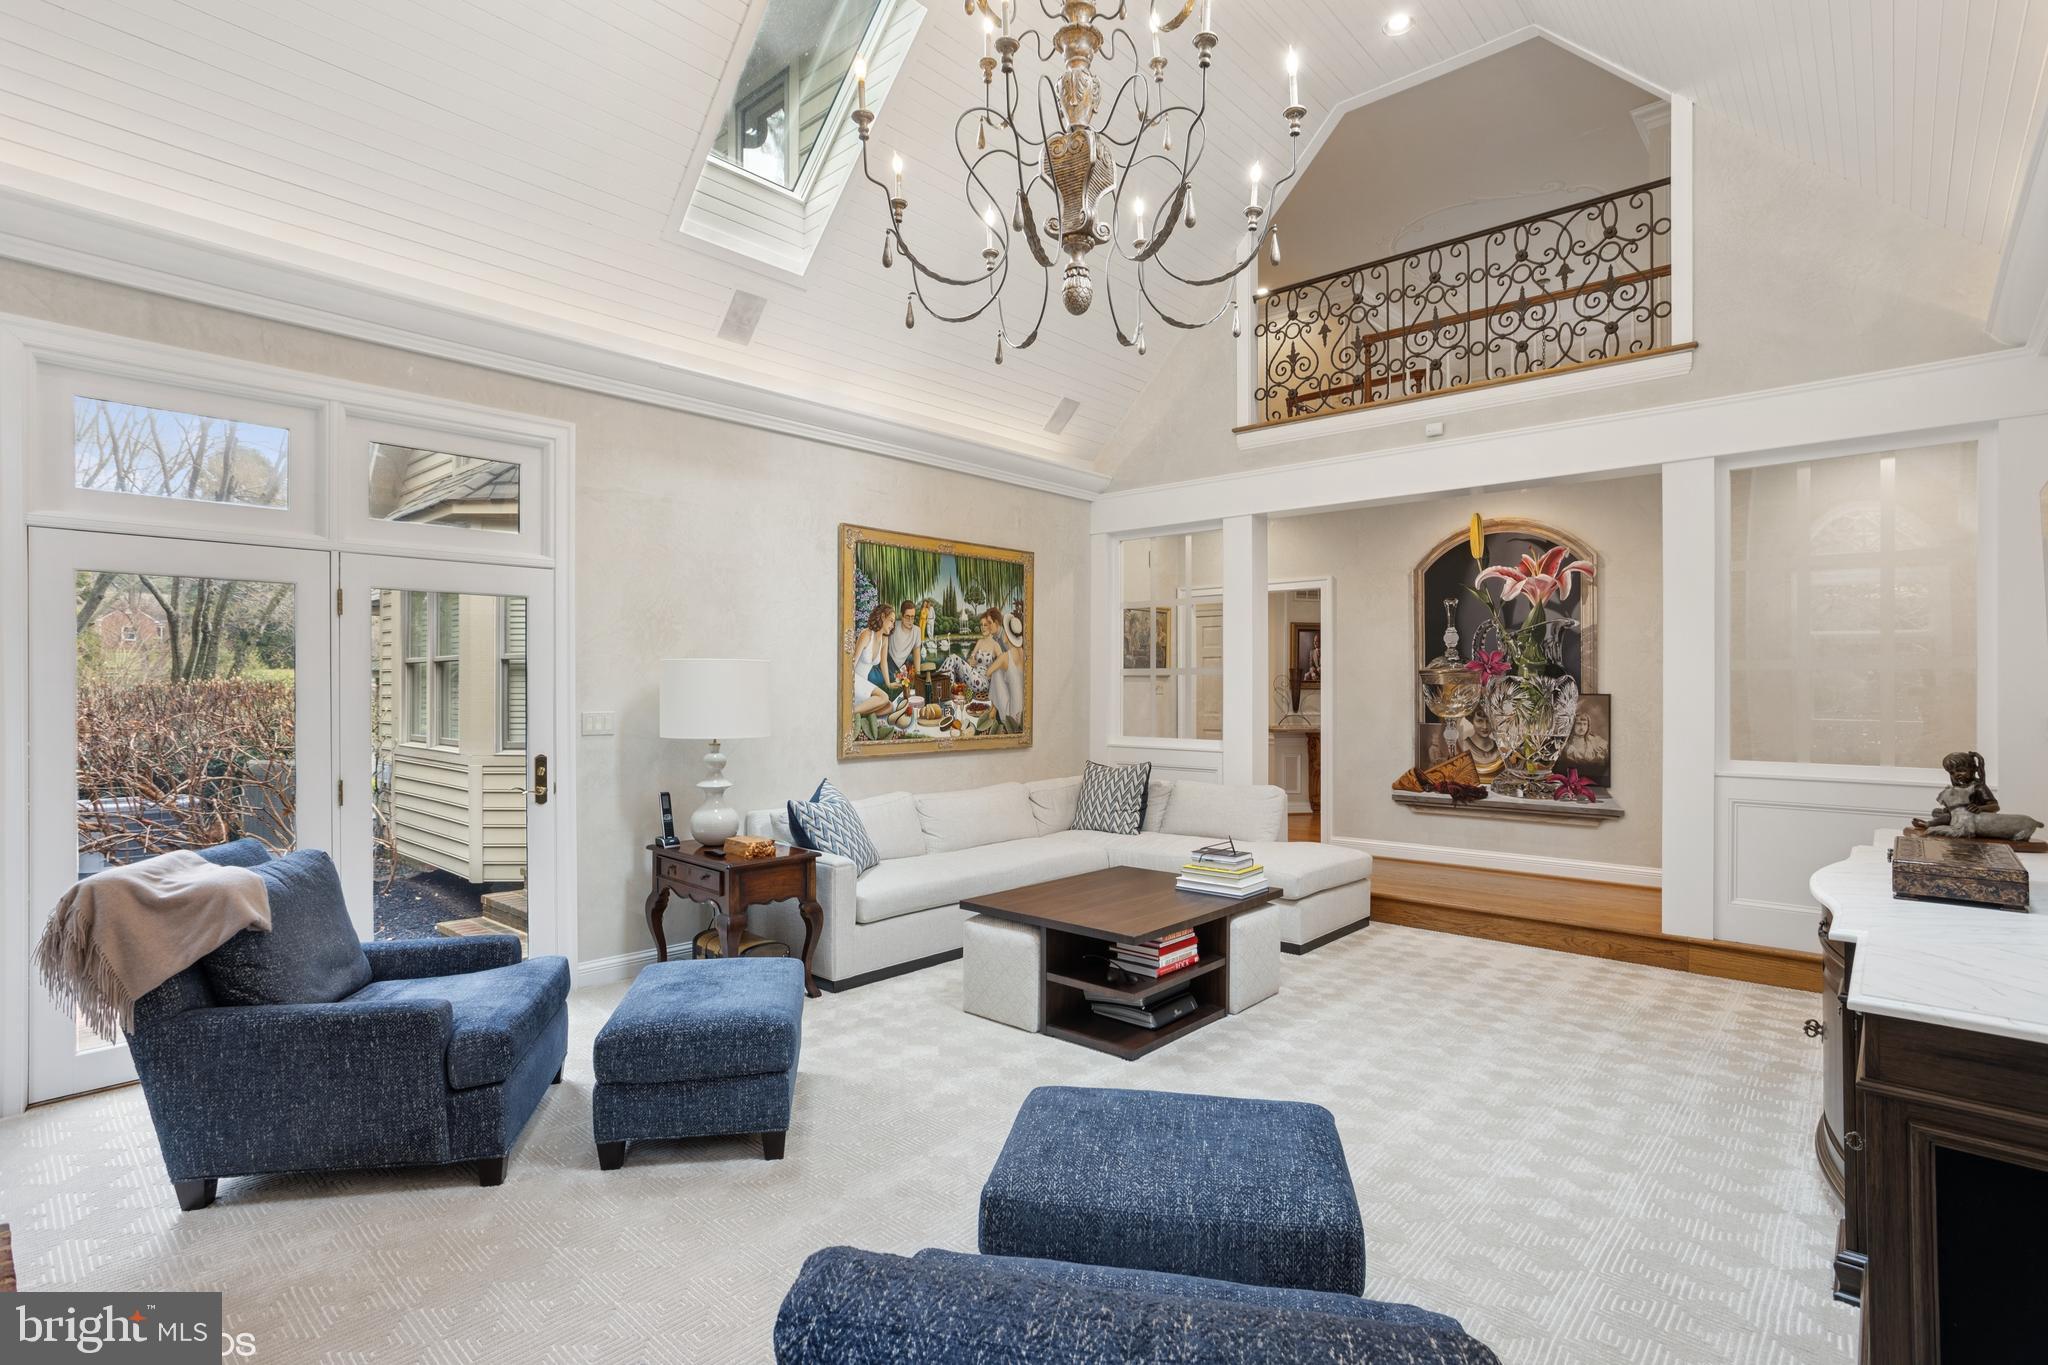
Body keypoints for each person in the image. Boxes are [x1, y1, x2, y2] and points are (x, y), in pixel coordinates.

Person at [851, 603, 901, 718]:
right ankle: (851, 713)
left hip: (863, 683)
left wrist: (888, 684)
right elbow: (852, 664)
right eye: (891, 621)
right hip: (853, 680)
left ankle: (859, 714)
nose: (893, 625)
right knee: (884, 697)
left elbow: (883, 663)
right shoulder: (866, 634)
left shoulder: (884, 639)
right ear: (883, 617)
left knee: (889, 706)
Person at [886, 598, 923, 684]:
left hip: (901, 667)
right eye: (907, 616)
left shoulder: (917, 631)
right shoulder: (893, 626)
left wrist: (918, 676)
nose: (910, 620)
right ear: (902, 615)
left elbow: (916, 655)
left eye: (913, 617)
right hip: (889, 663)